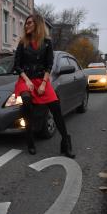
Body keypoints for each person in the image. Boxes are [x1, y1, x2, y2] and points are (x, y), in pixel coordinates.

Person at [13, 14, 75, 158]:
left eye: (29, 23)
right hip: (25, 79)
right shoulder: (22, 43)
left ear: (38, 24)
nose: (26, 25)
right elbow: (17, 65)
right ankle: (30, 140)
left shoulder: (47, 42)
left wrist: (44, 83)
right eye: (26, 23)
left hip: (42, 80)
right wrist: (27, 80)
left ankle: (66, 142)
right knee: (27, 103)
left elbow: (49, 65)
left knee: (56, 108)